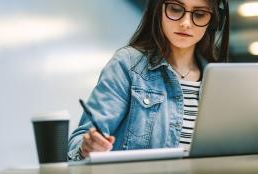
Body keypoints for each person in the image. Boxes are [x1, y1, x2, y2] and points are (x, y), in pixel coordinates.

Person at [68, 0, 230, 160]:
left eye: (200, 14)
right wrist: (88, 147)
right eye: (175, 9)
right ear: (157, 9)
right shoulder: (128, 64)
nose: (186, 23)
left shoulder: (220, 79)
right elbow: (79, 141)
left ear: (215, 21)